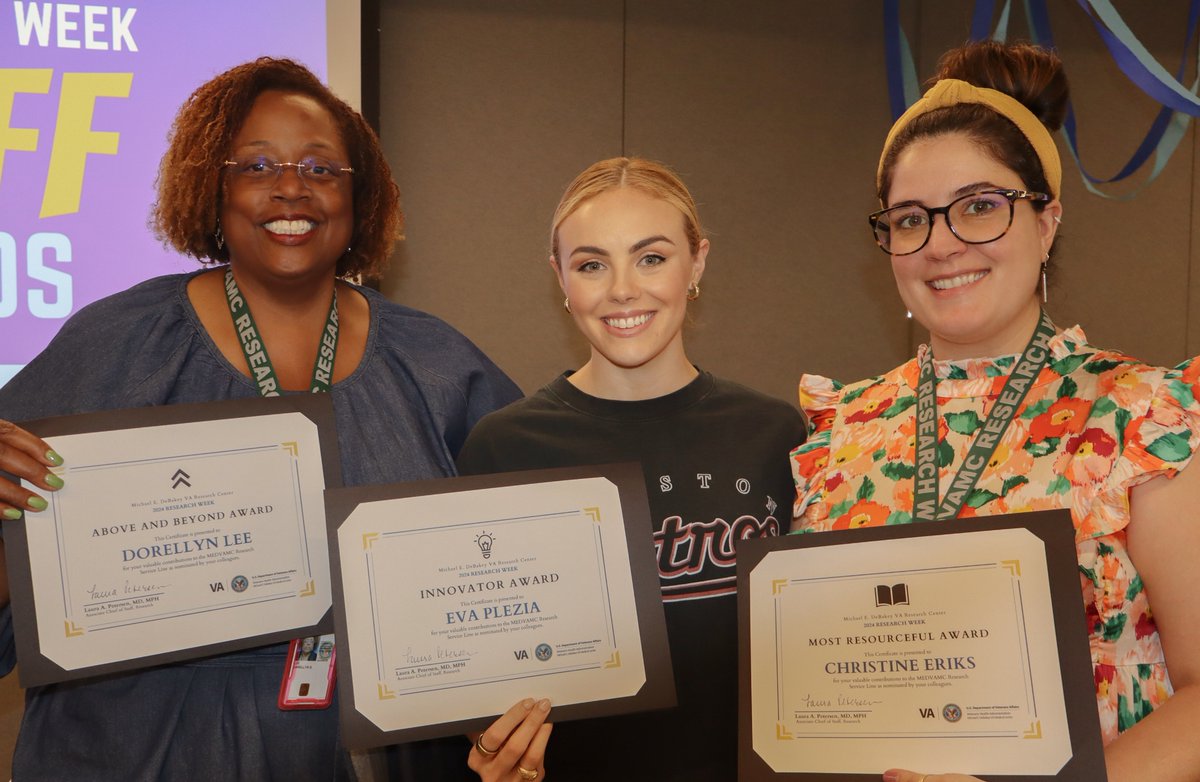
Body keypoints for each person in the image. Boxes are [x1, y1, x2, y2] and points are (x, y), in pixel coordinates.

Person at [0, 57, 520, 780]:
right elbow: (19, 577)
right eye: (256, 165)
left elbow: (530, 558)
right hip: (138, 751)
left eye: (321, 168)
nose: (290, 188)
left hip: (374, 753)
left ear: (358, 194)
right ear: (211, 189)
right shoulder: (117, 343)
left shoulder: (437, 363)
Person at [791, 41, 1200, 782]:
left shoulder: (1138, 416)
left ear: (1046, 223)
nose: (943, 244)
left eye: (980, 207)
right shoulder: (841, 430)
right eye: (911, 219)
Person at [458, 157, 808, 781]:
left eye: (651, 257)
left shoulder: (776, 435)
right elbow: (473, 668)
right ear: (560, 279)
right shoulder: (503, 448)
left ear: (697, 262)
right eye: (592, 264)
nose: (622, 289)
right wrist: (493, 752)